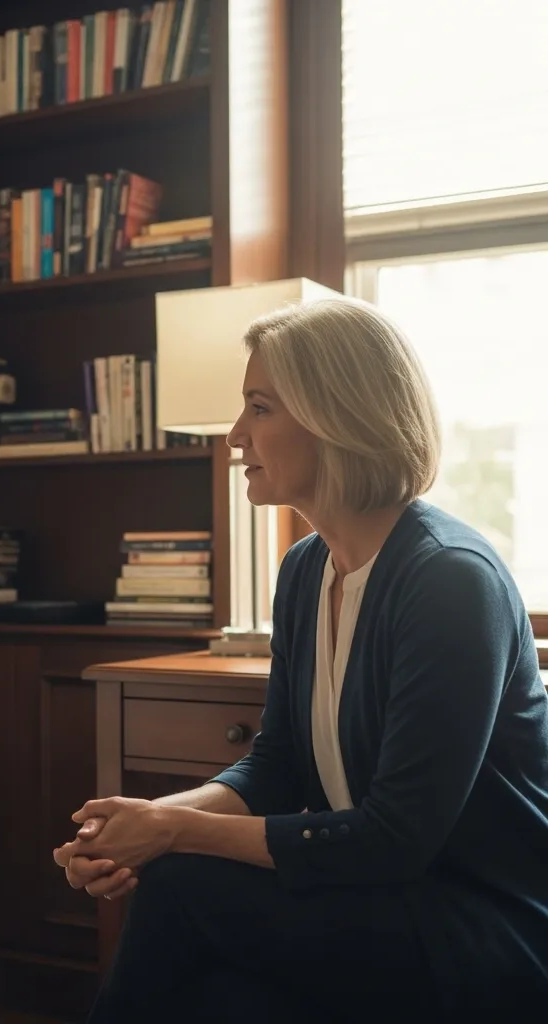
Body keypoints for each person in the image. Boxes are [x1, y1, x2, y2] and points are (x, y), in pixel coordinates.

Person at [53, 298, 548, 1022]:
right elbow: (277, 766)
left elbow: (395, 840)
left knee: (182, 884)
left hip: (480, 922)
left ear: (338, 416)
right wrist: (142, 823)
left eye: (259, 408)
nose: (234, 434)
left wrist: (173, 833)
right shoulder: (305, 569)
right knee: (221, 994)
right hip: (376, 904)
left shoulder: (450, 579)